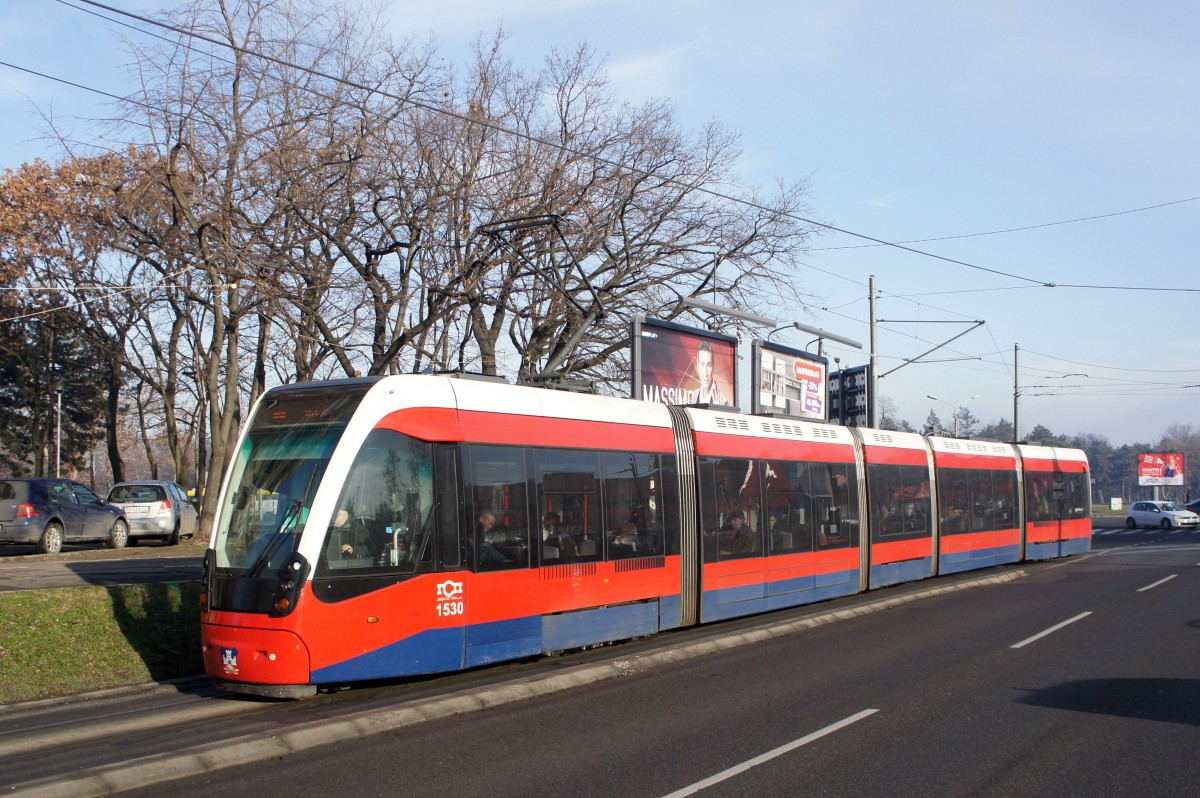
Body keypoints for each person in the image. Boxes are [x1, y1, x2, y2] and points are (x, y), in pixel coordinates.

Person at [693, 341, 730, 405]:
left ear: (713, 367)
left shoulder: (723, 401)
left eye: (709, 365)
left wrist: (717, 409)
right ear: (697, 365)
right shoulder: (692, 396)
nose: (706, 373)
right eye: (702, 364)